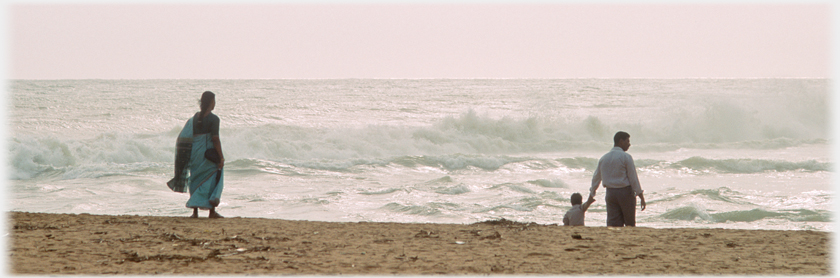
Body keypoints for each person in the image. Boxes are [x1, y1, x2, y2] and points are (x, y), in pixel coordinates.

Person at [167, 91, 225, 218]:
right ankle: (212, 211)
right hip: (207, 154)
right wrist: (221, 157)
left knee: (195, 179)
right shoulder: (214, 119)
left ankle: (195, 212)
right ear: (211, 102)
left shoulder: (194, 118)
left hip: (195, 153)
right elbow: (215, 139)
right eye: (214, 101)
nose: (215, 103)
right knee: (212, 178)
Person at [588, 131, 645, 227]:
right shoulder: (626, 157)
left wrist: (592, 192)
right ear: (621, 141)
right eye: (627, 141)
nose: (629, 144)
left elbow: (596, 178)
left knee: (613, 224)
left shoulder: (604, 158)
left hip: (610, 194)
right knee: (629, 223)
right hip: (625, 193)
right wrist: (641, 196)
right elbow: (633, 178)